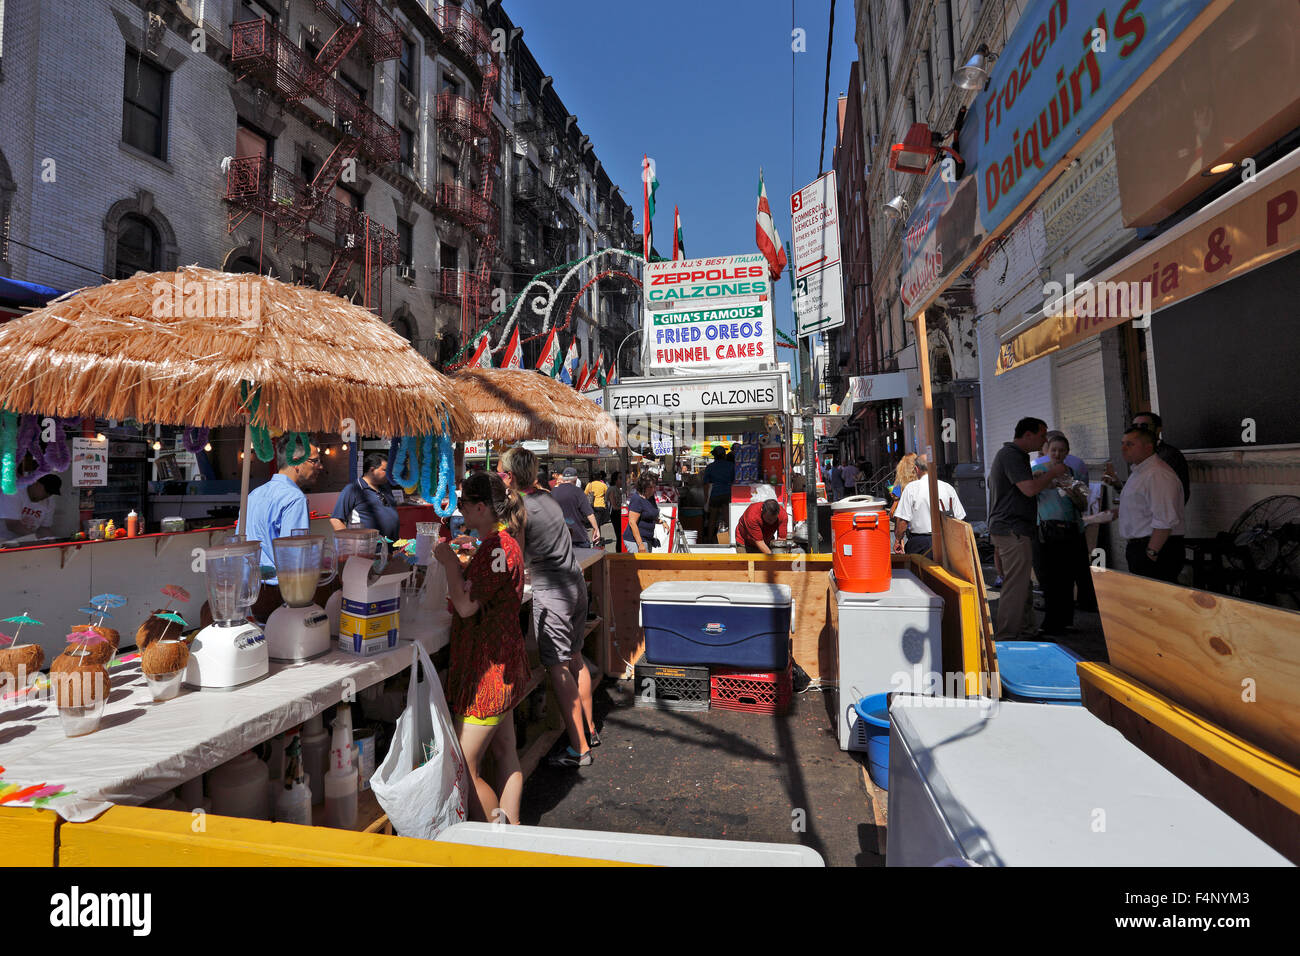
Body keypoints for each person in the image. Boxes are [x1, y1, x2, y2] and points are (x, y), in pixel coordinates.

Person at [433, 472, 530, 824]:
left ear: (480, 507)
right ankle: (513, 829)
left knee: (466, 765)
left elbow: (466, 606)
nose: (461, 513)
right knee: (506, 753)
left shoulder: (495, 547)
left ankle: (494, 837)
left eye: (463, 506)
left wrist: (447, 564)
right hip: (505, 662)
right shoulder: (507, 541)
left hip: (487, 671)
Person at [498, 446, 596, 767]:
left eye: (501, 473)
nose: (500, 478)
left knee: (557, 667)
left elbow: (515, 556)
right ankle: (590, 730)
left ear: (511, 476)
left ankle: (579, 749)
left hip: (552, 592)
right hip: (575, 585)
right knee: (575, 657)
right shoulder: (549, 498)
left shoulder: (520, 507)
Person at [988, 418, 1067, 641]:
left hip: (1012, 527)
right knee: (1016, 584)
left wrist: (1038, 478)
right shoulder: (1011, 455)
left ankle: (1024, 630)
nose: (1045, 440)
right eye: (1043, 436)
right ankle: (1007, 635)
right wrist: (1053, 473)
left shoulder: (1013, 455)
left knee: (1022, 583)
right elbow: (1029, 490)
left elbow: (1022, 486)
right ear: (1028, 435)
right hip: (1013, 528)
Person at [242, 438, 324, 584]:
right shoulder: (295, 498)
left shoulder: (253, 494)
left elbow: (240, 542)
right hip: (280, 589)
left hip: (248, 585)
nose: (320, 466)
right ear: (297, 462)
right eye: (315, 461)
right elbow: (294, 556)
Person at [1031, 435, 1090, 634]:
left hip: (1071, 528)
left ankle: (1065, 621)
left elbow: (1083, 504)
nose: (1057, 454)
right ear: (1047, 450)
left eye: (1062, 450)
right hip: (1047, 528)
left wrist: (1072, 492)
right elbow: (1031, 493)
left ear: (1067, 452)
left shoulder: (1073, 473)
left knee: (1067, 578)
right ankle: (1050, 622)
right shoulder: (1038, 471)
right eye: (1054, 450)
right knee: (1049, 578)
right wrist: (1049, 480)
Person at [1114, 427, 1185, 582]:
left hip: (1156, 548)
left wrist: (1151, 553)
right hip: (1141, 547)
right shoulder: (1140, 472)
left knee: (1159, 602)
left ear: (1148, 447)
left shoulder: (1157, 474)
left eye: (1130, 444)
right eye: (1123, 443)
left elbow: (1165, 519)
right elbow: (1142, 507)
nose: (1123, 448)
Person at [892, 457, 965, 557]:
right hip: (945, 541)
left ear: (917, 469)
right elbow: (960, 518)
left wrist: (898, 539)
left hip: (920, 543)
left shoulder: (911, 488)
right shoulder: (948, 488)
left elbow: (903, 521)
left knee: (919, 571)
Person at [329, 452, 400, 540]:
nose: (389, 474)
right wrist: (350, 543)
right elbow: (336, 519)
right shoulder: (353, 489)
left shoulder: (386, 488)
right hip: (367, 550)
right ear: (372, 470)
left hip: (391, 549)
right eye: (385, 470)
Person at [1130, 411, 1190, 504]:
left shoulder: (1169, 455)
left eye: (1144, 426)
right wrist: (1117, 484)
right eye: (1135, 426)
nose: (1138, 430)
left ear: (1158, 429)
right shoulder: (1140, 455)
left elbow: (1168, 494)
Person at [0, 475, 61, 543]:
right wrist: (36, 538)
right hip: (3, 541)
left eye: (51, 493)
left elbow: (44, 528)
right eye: (47, 491)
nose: (47, 495)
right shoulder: (14, 492)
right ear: (35, 483)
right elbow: (13, 525)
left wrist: (51, 540)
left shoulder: (49, 501)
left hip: (27, 542)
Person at [552, 467, 600, 550]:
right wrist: (596, 529)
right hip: (578, 537)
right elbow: (589, 513)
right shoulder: (578, 492)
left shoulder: (553, 492)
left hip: (560, 537)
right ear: (576, 478)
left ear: (563, 478)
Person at [623, 473, 663, 554]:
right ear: (643, 487)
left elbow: (650, 515)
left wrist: (661, 522)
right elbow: (632, 522)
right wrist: (640, 544)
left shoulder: (650, 497)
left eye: (654, 487)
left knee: (646, 565)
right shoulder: (637, 499)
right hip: (635, 541)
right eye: (650, 487)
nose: (653, 489)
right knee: (641, 565)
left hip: (647, 539)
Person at [703, 446, 734, 543]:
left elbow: (706, 485)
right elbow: (735, 481)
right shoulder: (731, 466)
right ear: (724, 455)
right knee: (727, 518)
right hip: (727, 494)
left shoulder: (710, 467)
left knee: (712, 517)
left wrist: (706, 499)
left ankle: (709, 538)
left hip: (715, 494)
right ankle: (730, 538)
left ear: (715, 456)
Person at [587, 470, 610, 536]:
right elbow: (607, 493)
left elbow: (585, 493)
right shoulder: (603, 485)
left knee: (596, 523)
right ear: (600, 477)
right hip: (601, 505)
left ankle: (596, 539)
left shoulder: (590, 484)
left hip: (592, 506)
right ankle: (597, 538)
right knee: (597, 523)